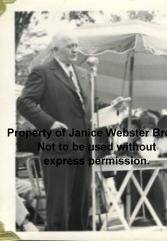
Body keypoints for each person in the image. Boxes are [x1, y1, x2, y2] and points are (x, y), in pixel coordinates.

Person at [17, 29, 127, 231]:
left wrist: (113, 105)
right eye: (70, 46)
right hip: (58, 149)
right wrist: (50, 124)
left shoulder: (84, 74)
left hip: (85, 150)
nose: (75, 49)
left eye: (76, 45)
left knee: (81, 208)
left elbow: (91, 104)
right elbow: (24, 103)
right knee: (59, 210)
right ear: (55, 49)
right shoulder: (42, 71)